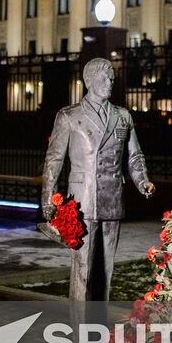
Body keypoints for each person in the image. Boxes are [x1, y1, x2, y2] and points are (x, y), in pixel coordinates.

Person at [41, 57, 154, 300]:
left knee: (106, 270)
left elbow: (134, 156)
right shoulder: (69, 115)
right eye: (105, 76)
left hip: (112, 198)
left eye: (112, 76)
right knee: (83, 270)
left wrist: (142, 180)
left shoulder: (122, 116)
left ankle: (97, 326)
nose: (111, 80)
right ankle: (80, 327)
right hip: (82, 202)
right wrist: (48, 200)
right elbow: (54, 160)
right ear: (89, 80)